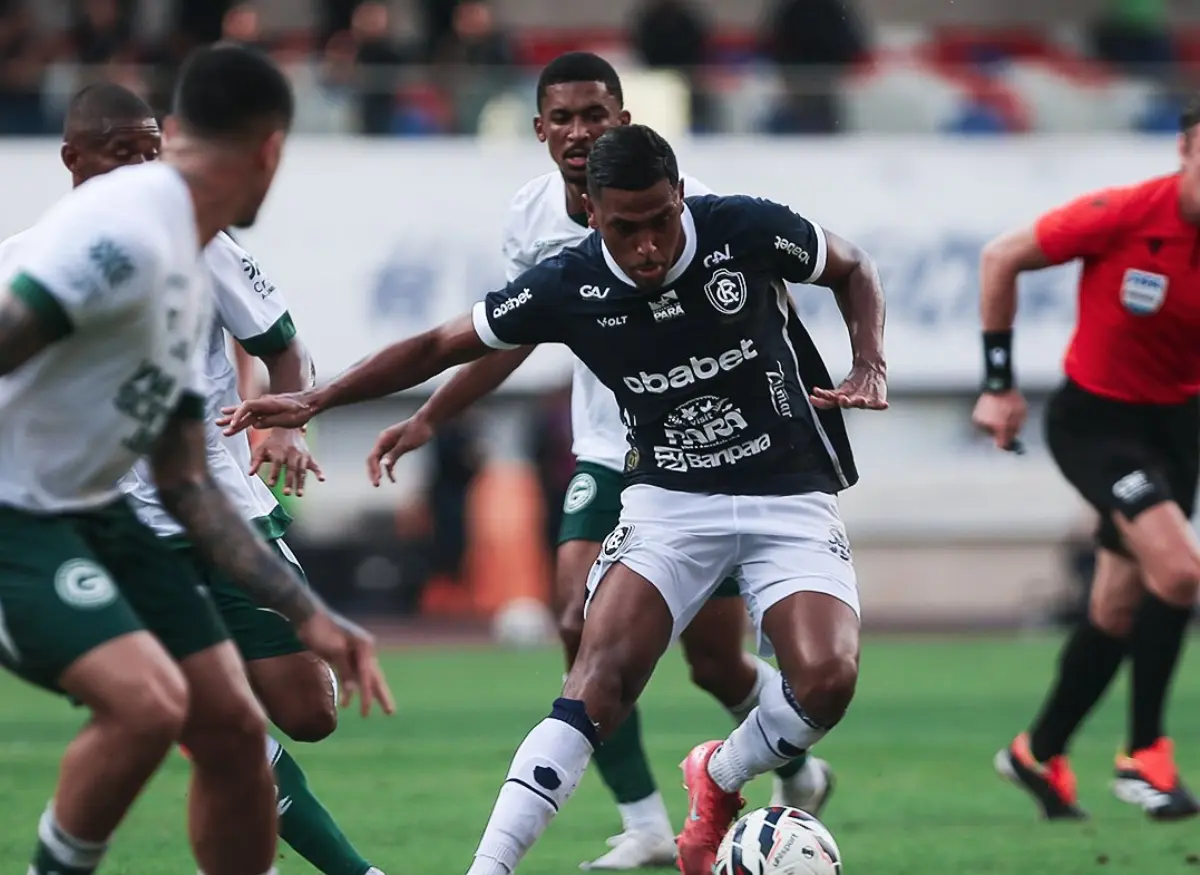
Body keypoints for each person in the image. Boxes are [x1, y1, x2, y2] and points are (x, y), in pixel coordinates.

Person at [221, 123, 887, 875]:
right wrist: (319, 398)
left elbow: (853, 266)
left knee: (828, 681)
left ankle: (719, 775)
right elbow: (439, 345)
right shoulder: (568, 283)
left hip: (788, 491)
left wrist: (868, 361)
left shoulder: (742, 227)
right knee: (595, 682)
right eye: (625, 228)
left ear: (680, 196)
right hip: (670, 503)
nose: (647, 247)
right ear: (591, 213)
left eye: (661, 221)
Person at [362, 50, 833, 870]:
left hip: (708, 458)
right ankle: (645, 819)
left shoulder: (683, 203)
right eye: (563, 118)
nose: (579, 132)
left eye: (594, 115)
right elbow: (514, 329)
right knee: (577, 619)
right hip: (610, 450)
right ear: (540, 129)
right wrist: (434, 412)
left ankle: (788, 759)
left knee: (714, 659)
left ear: (623, 120)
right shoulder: (530, 215)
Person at [0, 45, 393, 875]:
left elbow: (184, 478)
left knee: (232, 729)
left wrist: (310, 614)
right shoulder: (121, 229)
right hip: (24, 523)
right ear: (272, 151)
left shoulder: (186, 261)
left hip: (102, 513)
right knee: (149, 705)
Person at [974, 96, 1200, 822]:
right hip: (1097, 425)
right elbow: (1002, 256)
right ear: (1186, 149)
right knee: (1180, 571)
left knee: (1115, 606)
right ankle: (1144, 755)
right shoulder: (1124, 213)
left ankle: (1037, 750)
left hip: (1178, 429)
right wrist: (999, 385)